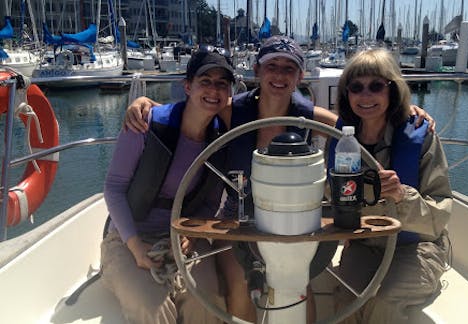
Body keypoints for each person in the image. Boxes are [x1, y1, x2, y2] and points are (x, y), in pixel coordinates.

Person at [124, 36, 435, 322]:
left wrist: (405, 109)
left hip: (292, 215)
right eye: (272, 66)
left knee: (299, 282)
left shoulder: (307, 116)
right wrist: (147, 105)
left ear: (300, 76)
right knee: (239, 281)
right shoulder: (232, 111)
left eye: (289, 68)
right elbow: (191, 109)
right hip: (238, 217)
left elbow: (352, 125)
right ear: (258, 70)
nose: (279, 74)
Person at [101, 50, 235, 324]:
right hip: (129, 238)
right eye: (205, 81)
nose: (213, 90)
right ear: (187, 86)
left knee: (207, 304)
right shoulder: (144, 123)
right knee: (151, 309)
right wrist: (137, 248)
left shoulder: (221, 139)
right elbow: (114, 189)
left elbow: (210, 203)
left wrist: (192, 237)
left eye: (222, 83)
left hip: (180, 236)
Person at [327, 48, 452, 323]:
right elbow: (329, 197)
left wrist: (402, 195)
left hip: (416, 246)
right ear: (346, 94)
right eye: (356, 87)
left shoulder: (421, 135)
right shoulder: (341, 139)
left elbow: (439, 215)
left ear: (392, 90)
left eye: (376, 86)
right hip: (364, 243)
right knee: (347, 297)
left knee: (386, 301)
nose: (366, 95)